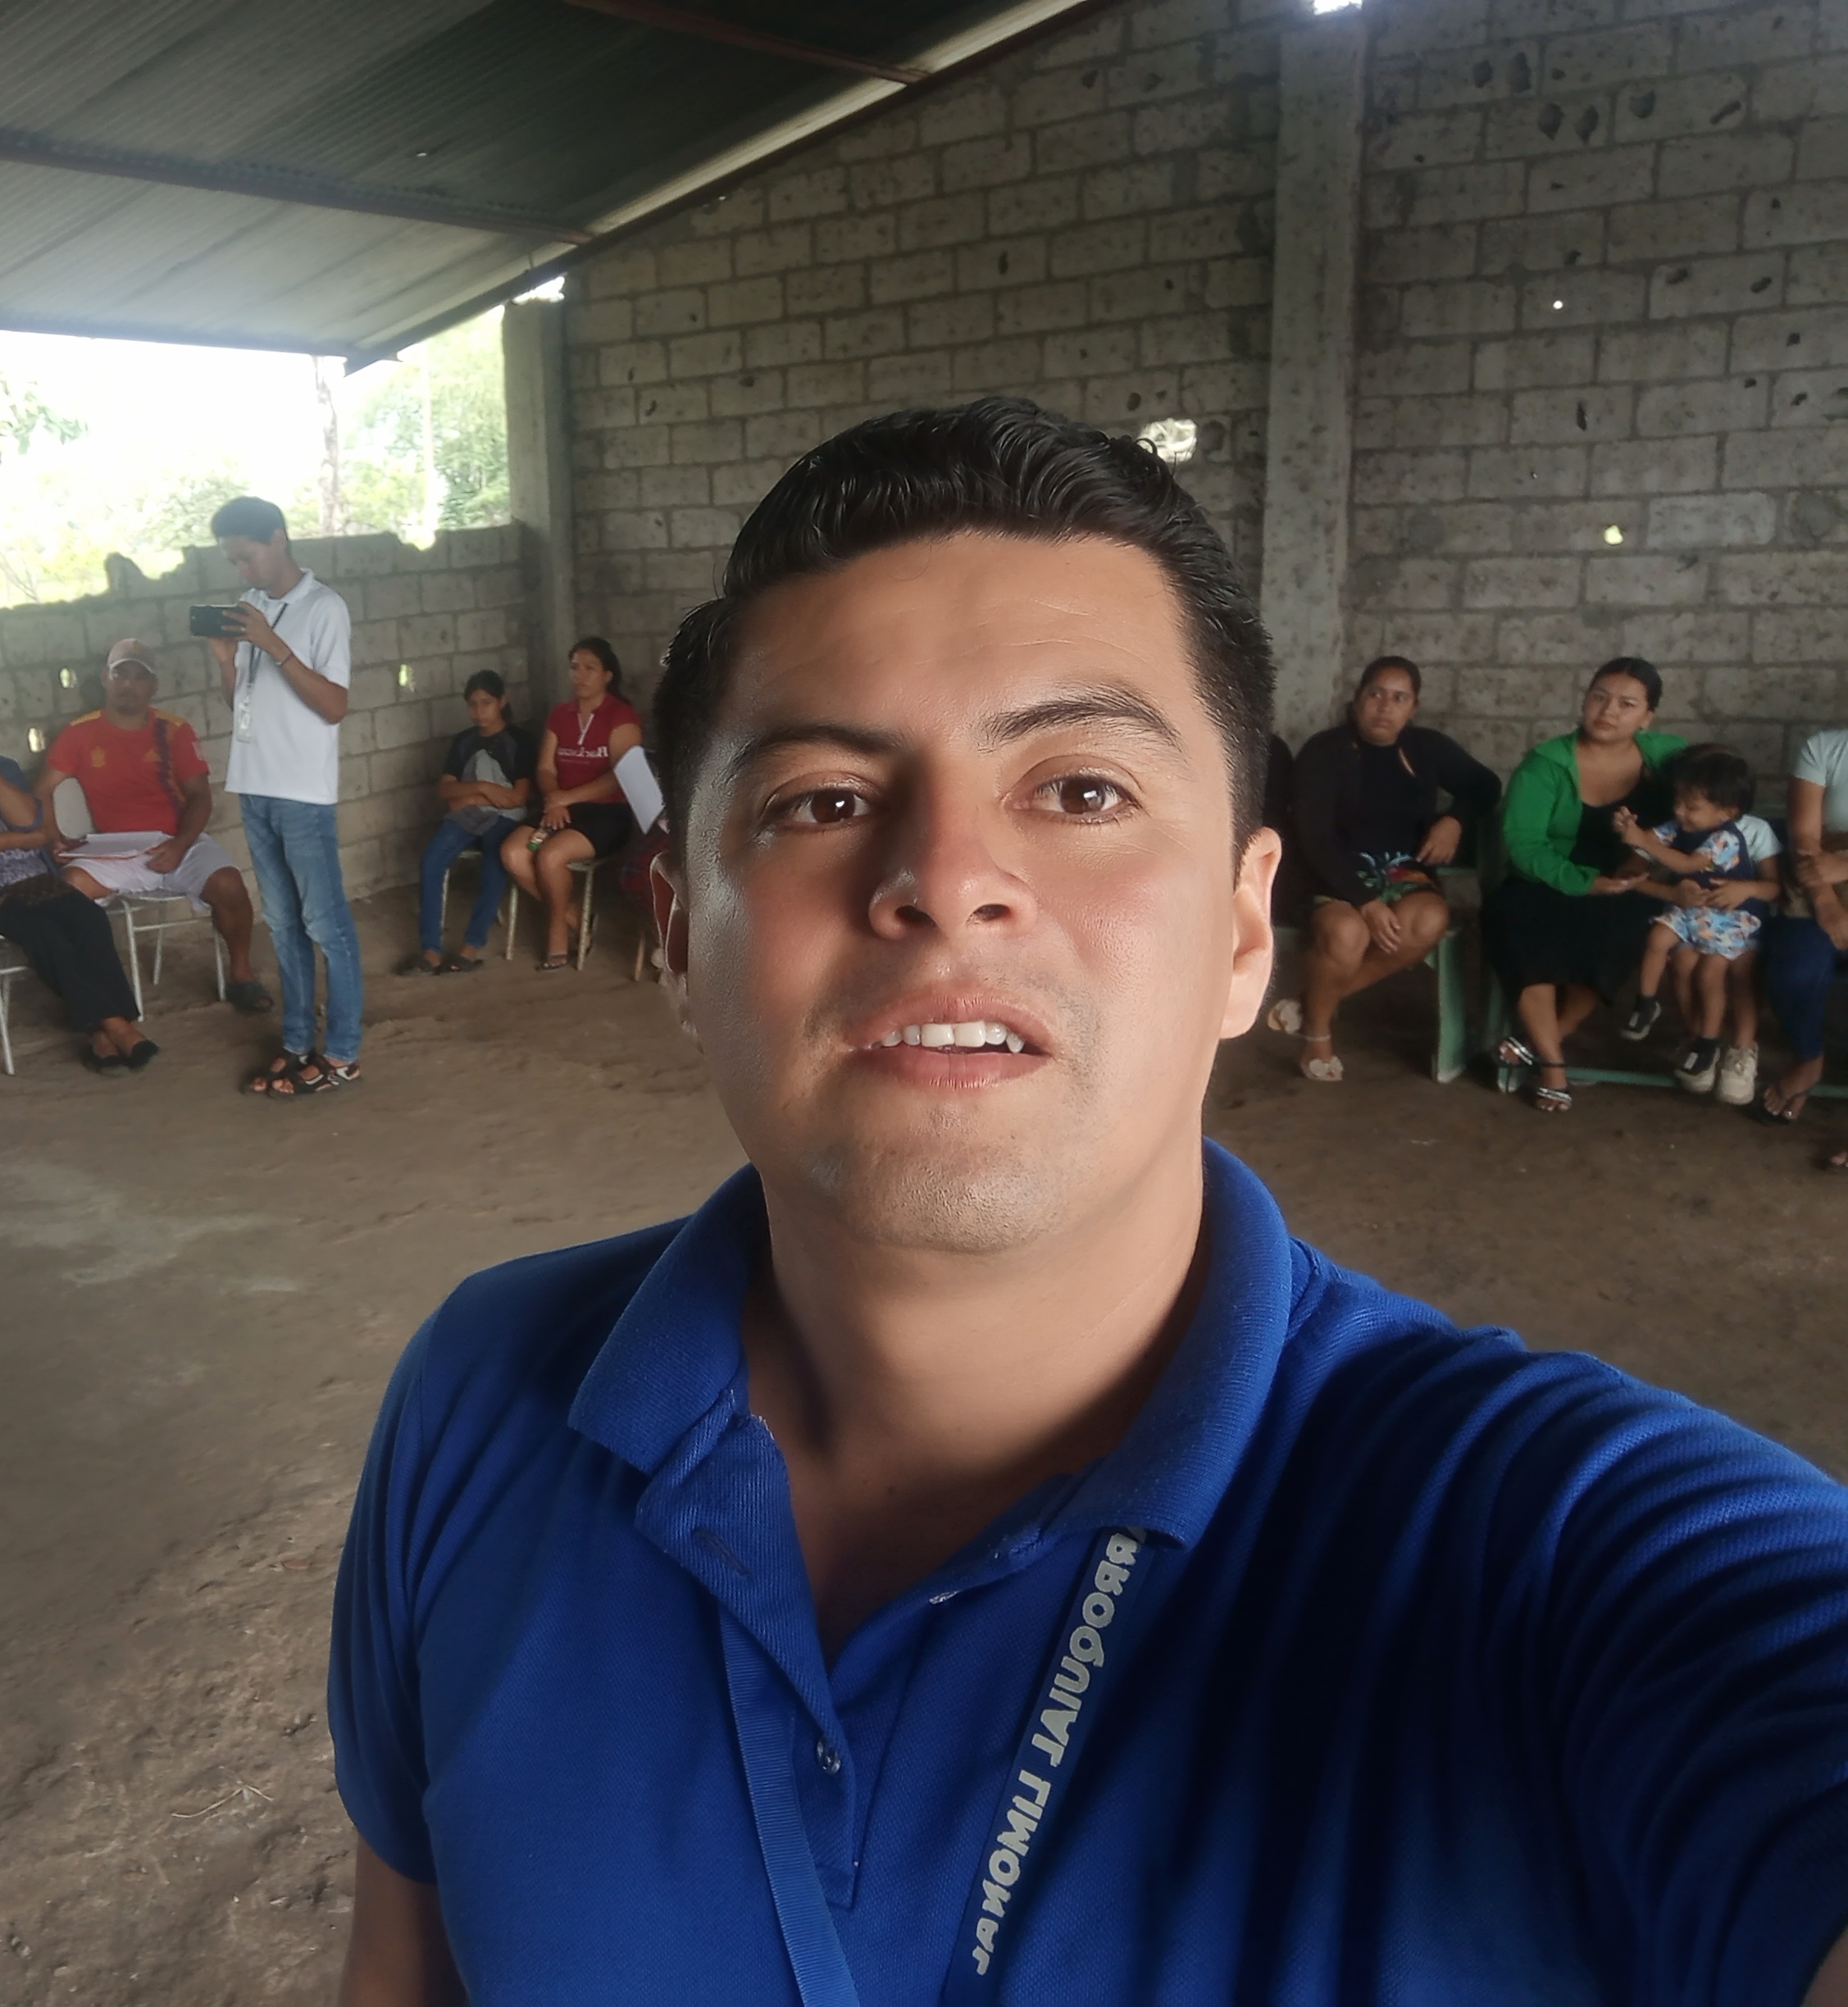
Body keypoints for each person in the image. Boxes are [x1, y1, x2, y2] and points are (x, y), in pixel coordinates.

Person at [325, 403, 1848, 2006]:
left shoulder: (1545, 1543)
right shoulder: (481, 1395)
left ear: (1246, 933)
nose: (944, 878)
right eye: (822, 800)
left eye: (1080, 789)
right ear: (683, 941)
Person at [1267, 656, 1498, 1081]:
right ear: (1357, 699)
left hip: (1398, 873)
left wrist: (1455, 820)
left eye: (1398, 698)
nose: (1385, 707)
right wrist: (1366, 902)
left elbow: (1486, 786)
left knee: (1428, 920)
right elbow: (1313, 837)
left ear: (1413, 707)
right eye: (1375, 694)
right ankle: (1317, 1036)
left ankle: (1313, 1003)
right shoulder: (1324, 751)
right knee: (1346, 932)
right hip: (1328, 870)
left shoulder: (1426, 748)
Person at [0, 692, 154, 1074]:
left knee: (89, 918)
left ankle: (101, 1036)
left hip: (29, 877)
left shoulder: (3, 767)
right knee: (42, 932)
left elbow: (28, 820)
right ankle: (117, 1026)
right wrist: (18, 841)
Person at [207, 495, 364, 1098]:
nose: (242, 570)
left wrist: (274, 645)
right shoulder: (251, 607)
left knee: (326, 924)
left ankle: (342, 1053)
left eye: (247, 556)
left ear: (278, 539)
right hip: (255, 784)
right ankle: (297, 1042)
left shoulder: (324, 608)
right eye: (233, 562)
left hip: (301, 791)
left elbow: (334, 705)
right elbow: (242, 704)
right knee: (283, 923)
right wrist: (227, 661)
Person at [1482, 658, 1684, 1114]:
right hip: (1541, 879)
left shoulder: (1666, 758)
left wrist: (1642, 861)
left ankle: (1545, 1037)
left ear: (1647, 718)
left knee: (1624, 932)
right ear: (1585, 700)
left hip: (1622, 884)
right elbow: (1525, 845)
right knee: (1519, 927)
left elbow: (1707, 799)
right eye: (1599, 697)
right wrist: (1586, 882)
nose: (1608, 711)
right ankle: (1554, 1066)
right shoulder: (1546, 764)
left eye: (1627, 704)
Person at [36, 640, 271, 1012]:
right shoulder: (79, 733)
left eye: (140, 677)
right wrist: (53, 838)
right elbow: (42, 790)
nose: (129, 684)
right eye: (121, 674)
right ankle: (97, 995)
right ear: (105, 678)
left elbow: (200, 796)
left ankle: (242, 975)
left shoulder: (173, 730)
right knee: (70, 890)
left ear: (153, 686)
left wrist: (180, 844)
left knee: (229, 884)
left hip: (177, 841)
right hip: (114, 847)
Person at [1614, 745, 1774, 1102]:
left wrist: (1745, 888)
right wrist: (1630, 831)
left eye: (1690, 805)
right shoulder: (1682, 824)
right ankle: (1664, 1016)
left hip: (1735, 920)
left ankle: (1726, 1046)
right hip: (1693, 914)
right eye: (1679, 801)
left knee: (1715, 972)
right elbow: (1635, 866)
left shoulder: (1733, 835)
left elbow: (1689, 865)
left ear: (1726, 809)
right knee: (1672, 950)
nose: (1679, 810)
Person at [501, 637, 644, 971]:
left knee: (550, 856)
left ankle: (557, 935)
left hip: (607, 811)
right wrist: (555, 800)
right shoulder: (560, 715)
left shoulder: (621, 716)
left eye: (589, 668)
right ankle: (576, 919)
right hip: (560, 809)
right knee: (513, 853)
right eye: (575, 667)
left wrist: (566, 797)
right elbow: (545, 768)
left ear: (607, 675)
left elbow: (621, 774)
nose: (579, 675)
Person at [403, 669, 533, 976]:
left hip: (504, 817)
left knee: (494, 861)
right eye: (473, 704)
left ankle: (470, 948)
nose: (479, 711)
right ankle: (430, 950)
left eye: (486, 703)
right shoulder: (463, 742)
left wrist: (468, 795)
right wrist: (485, 789)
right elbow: (446, 792)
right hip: (467, 816)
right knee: (432, 859)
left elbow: (517, 797)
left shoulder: (520, 740)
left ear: (502, 701)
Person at [1759, 724, 1848, 1138]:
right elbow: (1805, 837)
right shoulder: (1825, 748)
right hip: (1817, 885)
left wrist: (1844, 863)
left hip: (1834, 867)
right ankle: (1809, 1057)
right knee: (1793, 972)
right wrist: (1827, 903)